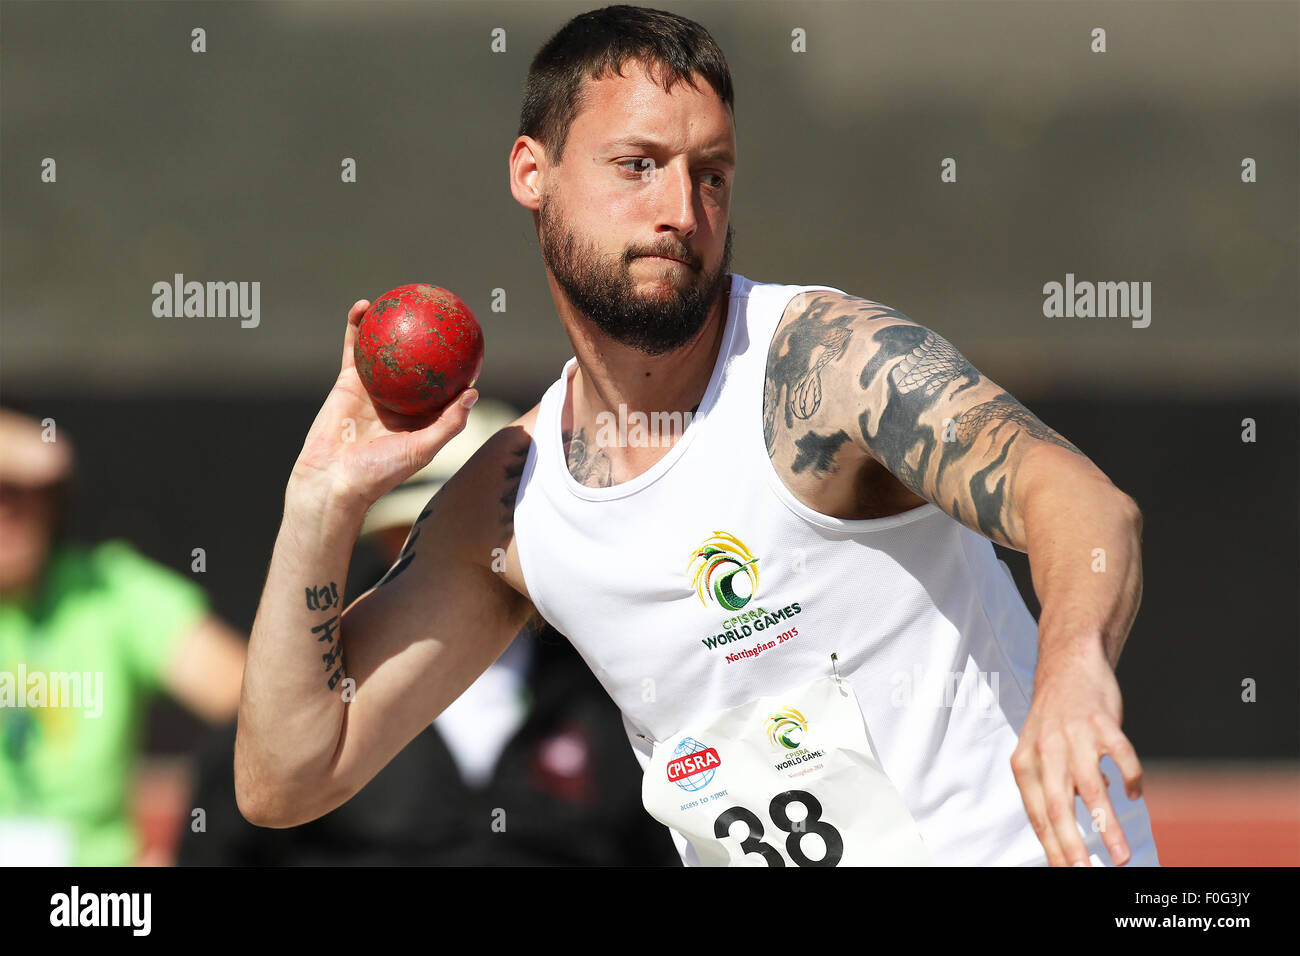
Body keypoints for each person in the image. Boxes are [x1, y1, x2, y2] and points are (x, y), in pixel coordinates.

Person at [236, 5, 1159, 867]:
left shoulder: (825, 367)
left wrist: (1073, 671)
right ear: (533, 171)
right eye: (637, 164)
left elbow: (1078, 500)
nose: (681, 209)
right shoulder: (515, 503)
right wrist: (320, 502)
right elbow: (288, 778)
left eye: (709, 173)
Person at [179, 400, 679, 865]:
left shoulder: (609, 683)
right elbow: (231, 830)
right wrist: (318, 500)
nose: (450, 540)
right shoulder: (310, 689)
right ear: (385, 537)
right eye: (417, 525)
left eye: (480, 520)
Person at [0, 406, 247, 866]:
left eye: (23, 494)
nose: (8, 515)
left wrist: (204, 845)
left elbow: (257, 705)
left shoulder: (110, 592)